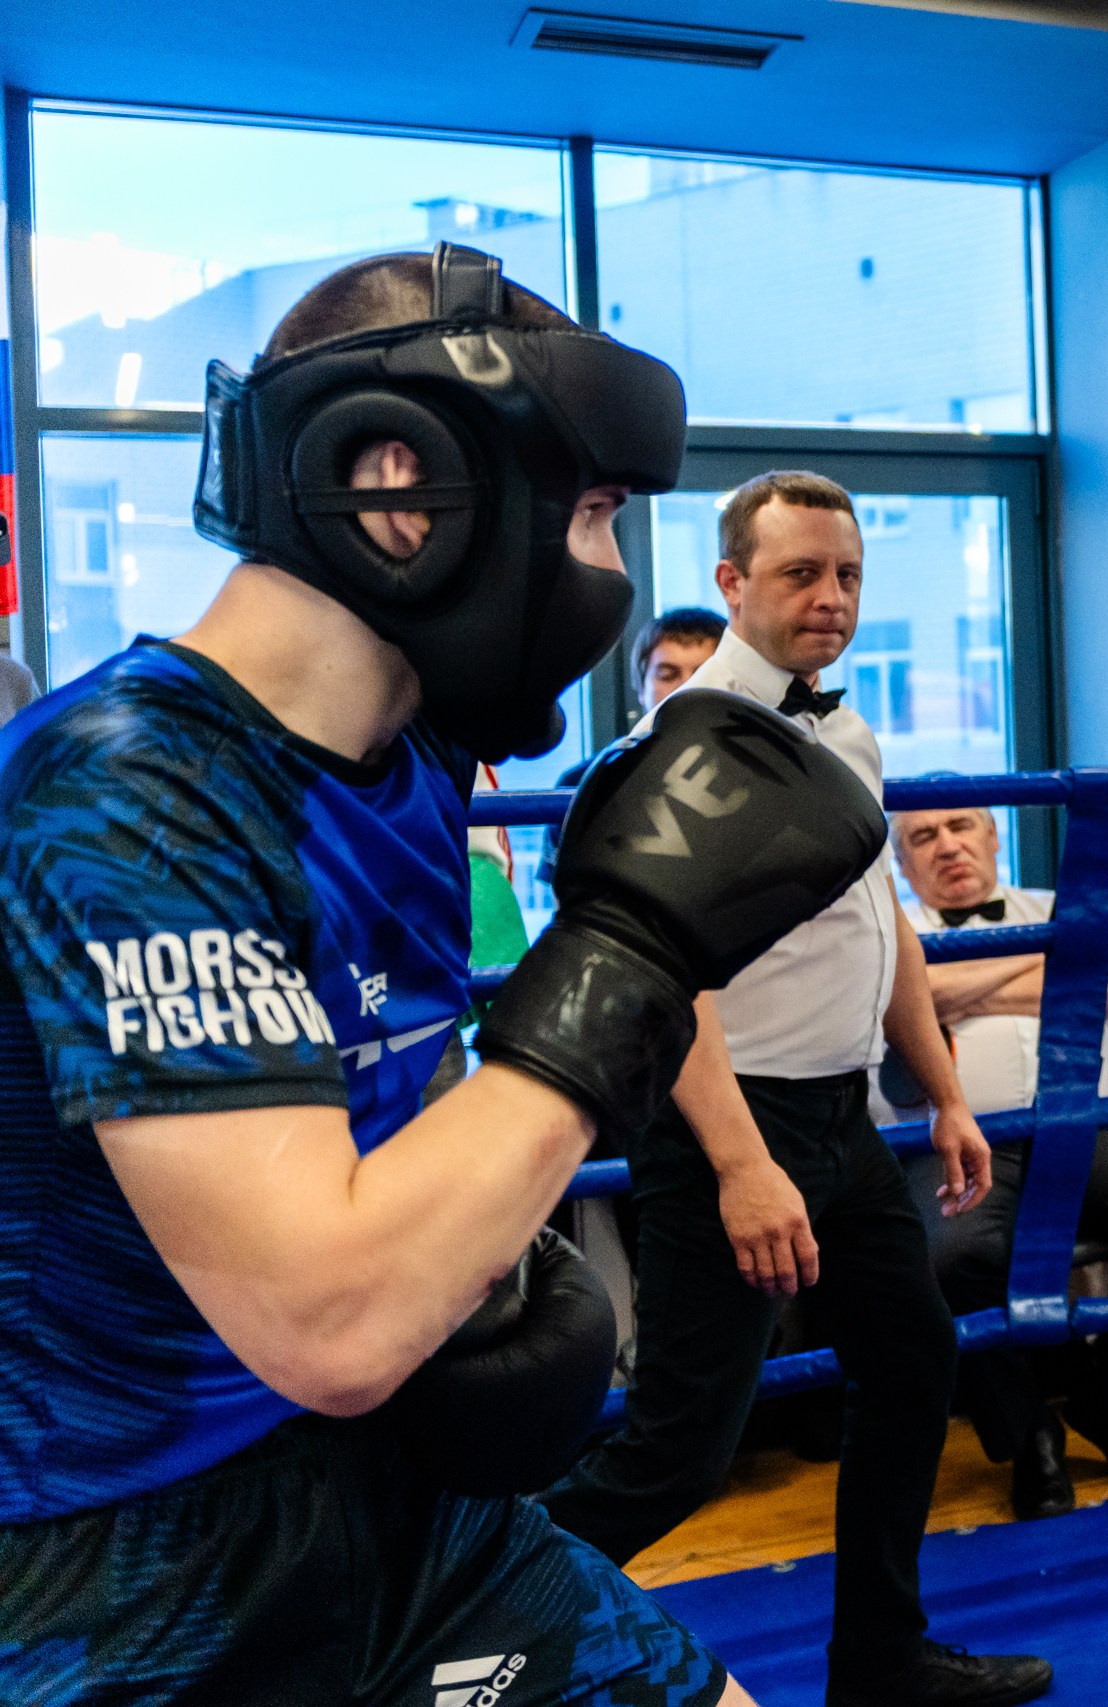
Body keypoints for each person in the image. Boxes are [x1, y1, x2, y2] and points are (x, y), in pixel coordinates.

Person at [0, 244, 882, 1704]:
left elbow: (413, 1097)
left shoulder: (405, 768)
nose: (606, 570)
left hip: (391, 1505)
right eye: (592, 512)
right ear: (393, 486)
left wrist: (488, 1260)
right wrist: (633, 950)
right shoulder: (129, 796)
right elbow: (332, 1318)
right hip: (116, 1572)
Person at [540, 471, 1053, 1707]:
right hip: (732, 1125)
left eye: (847, 576)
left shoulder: (849, 734)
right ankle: (453, 1620)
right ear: (732, 586)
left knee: (914, 1361)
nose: (829, 600)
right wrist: (737, 1163)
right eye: (798, 575)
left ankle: (877, 1660)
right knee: (677, 1452)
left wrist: (942, 1091)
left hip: (839, 1117)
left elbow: (882, 925)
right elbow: (667, 976)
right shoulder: (682, 748)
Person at [889, 801, 1108, 1521]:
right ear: (900, 861)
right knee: (948, 1259)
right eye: (922, 836)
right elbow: (911, 1002)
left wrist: (962, 986)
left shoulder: (1054, 904)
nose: (947, 845)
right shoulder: (891, 934)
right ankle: (1030, 1434)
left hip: (1090, 1125)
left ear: (995, 834)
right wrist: (1042, 956)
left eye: (962, 827)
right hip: (960, 1138)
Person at [557, 606, 726, 790]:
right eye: (668, 675)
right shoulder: (584, 783)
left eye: (703, 675)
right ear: (641, 689)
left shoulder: (759, 769)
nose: (686, 688)